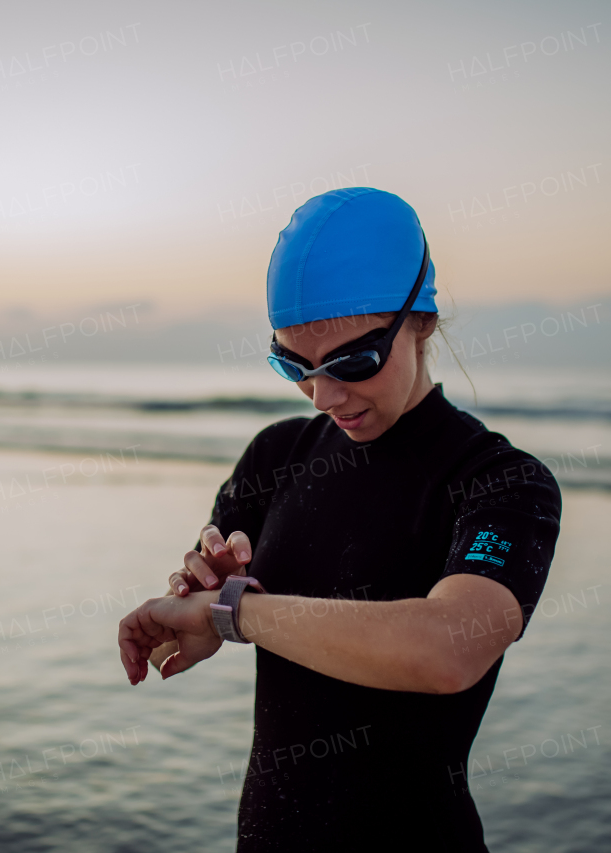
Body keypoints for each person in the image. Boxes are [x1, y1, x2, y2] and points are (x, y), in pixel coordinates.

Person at [117, 188, 562, 851]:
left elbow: (448, 649)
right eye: (293, 366)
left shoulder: (501, 482)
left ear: (422, 320)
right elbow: (208, 594)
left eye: (353, 362)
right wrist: (202, 595)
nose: (323, 396)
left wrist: (233, 614)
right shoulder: (276, 455)